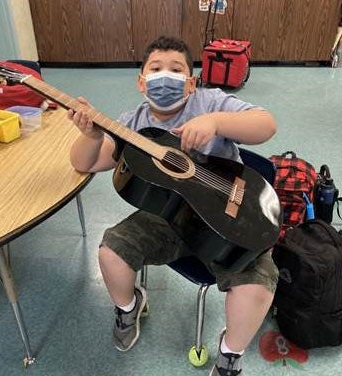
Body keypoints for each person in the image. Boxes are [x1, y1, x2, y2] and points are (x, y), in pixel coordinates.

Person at [68, 35, 279, 376]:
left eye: (176, 69)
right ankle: (129, 306)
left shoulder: (210, 101)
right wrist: (91, 136)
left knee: (257, 284)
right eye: (155, 69)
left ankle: (229, 355)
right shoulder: (132, 122)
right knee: (111, 252)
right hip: (167, 219)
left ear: (191, 82)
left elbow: (266, 124)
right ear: (141, 81)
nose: (165, 76)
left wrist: (216, 122)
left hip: (228, 218)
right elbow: (84, 163)